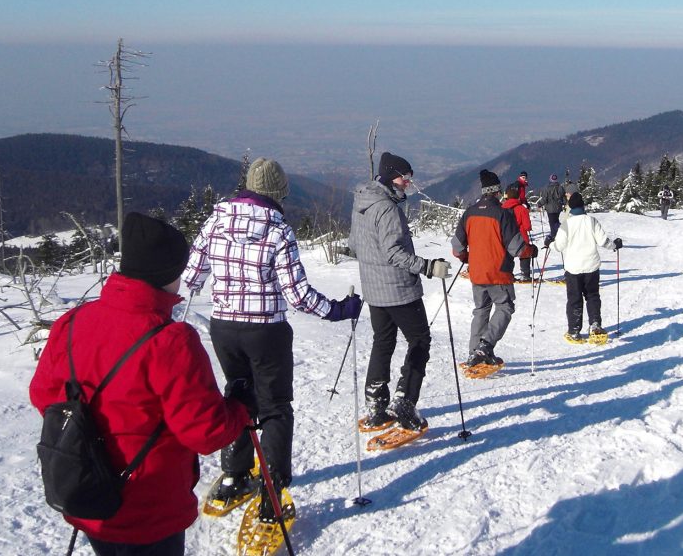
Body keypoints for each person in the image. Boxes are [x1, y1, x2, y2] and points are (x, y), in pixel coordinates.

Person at [31, 212, 252, 556]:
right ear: (167, 274)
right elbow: (205, 433)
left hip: (88, 493)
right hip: (148, 509)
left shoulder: (73, 322)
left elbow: (44, 396)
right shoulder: (171, 341)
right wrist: (239, 408)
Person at [181, 158, 363, 523]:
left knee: (238, 395)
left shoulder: (216, 220)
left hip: (224, 327)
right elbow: (297, 295)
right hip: (267, 331)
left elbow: (191, 277)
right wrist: (339, 310)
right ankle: (272, 490)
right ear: (279, 192)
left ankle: (234, 474)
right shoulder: (278, 229)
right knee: (276, 406)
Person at [351, 152, 450, 432]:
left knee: (382, 342)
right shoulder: (388, 209)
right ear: (389, 176)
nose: (407, 183)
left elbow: (354, 244)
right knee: (419, 340)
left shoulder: (362, 203)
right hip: (398, 290)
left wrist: (373, 268)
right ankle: (405, 402)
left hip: (374, 290)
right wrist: (428, 266)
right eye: (403, 177)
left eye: (409, 178)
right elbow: (395, 253)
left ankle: (376, 404)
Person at [452, 170, 529, 366]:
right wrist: (532, 250)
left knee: (481, 310)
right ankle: (485, 346)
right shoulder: (503, 214)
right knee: (505, 307)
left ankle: (474, 353)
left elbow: (457, 247)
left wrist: (467, 257)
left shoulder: (469, 213)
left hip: (476, 272)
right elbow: (518, 248)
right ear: (497, 191)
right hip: (498, 272)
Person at [549, 192, 622, 342]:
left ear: (570, 208)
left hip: (573, 268)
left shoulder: (567, 224)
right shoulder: (592, 221)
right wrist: (615, 245)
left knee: (574, 299)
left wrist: (549, 244)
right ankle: (595, 325)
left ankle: (574, 330)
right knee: (592, 296)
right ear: (583, 206)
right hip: (591, 267)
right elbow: (603, 241)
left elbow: (559, 246)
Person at [501, 184, 534, 282]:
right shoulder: (522, 209)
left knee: (507, 255)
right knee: (525, 254)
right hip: (521, 236)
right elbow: (527, 226)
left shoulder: (502, 208)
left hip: (506, 237)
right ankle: (525, 275)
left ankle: (507, 274)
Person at [537, 174, 564, 244]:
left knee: (552, 222)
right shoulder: (560, 188)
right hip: (558, 208)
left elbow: (544, 199)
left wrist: (539, 204)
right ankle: (558, 233)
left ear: (550, 179)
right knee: (556, 221)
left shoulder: (547, 188)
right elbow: (563, 197)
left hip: (550, 208)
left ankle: (554, 235)